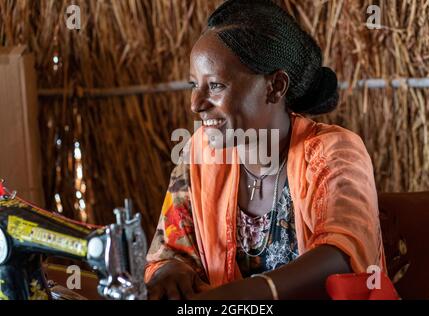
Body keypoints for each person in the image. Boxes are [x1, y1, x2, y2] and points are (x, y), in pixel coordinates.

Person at [145, 0, 386, 300]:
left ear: (275, 86)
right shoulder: (199, 155)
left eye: (217, 85)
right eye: (194, 84)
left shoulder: (334, 153)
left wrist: (249, 293)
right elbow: (171, 249)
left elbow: (343, 253)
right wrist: (171, 269)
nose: (196, 104)